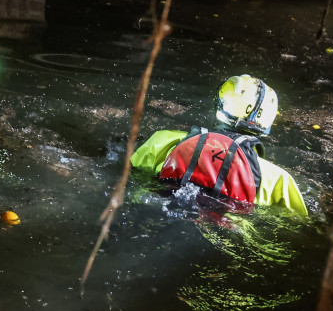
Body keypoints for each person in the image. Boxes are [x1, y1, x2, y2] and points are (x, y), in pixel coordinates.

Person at [131, 75, 308, 217]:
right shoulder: (278, 180)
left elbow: (133, 175)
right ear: (266, 125)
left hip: (156, 212)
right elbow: (299, 222)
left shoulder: (162, 140)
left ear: (219, 106)